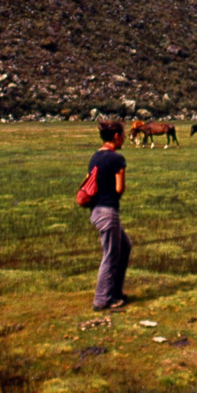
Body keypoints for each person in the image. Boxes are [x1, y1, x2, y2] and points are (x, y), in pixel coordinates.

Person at [86, 119, 131, 310]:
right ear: (116, 136)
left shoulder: (95, 157)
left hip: (96, 210)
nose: (124, 139)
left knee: (125, 246)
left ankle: (115, 291)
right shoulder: (117, 159)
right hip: (108, 211)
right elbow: (120, 188)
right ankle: (103, 300)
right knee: (111, 254)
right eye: (123, 135)